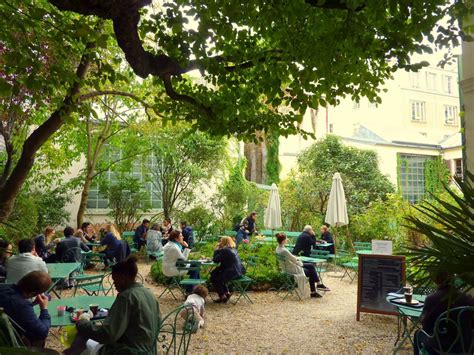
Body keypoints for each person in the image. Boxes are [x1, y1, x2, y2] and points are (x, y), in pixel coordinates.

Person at [73, 256, 160, 354]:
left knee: (82, 342)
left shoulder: (126, 297)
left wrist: (83, 323)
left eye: (115, 280)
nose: (114, 284)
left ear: (123, 278)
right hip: (150, 350)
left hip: (130, 351)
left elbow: (108, 335)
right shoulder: (149, 294)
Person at [414, 270, 474, 355]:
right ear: (453, 278)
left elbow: (426, 327)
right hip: (465, 348)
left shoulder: (432, 299)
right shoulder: (468, 298)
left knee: (418, 334)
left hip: (440, 347)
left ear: (435, 279)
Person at [0, 271, 52, 347]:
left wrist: (31, 304)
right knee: (37, 338)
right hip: (6, 343)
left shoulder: (4, 288)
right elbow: (42, 333)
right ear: (33, 293)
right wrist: (44, 309)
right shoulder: (22, 305)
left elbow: (12, 307)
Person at [276, 233, 329, 298]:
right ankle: (314, 291)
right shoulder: (284, 250)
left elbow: (291, 258)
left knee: (311, 266)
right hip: (292, 269)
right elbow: (294, 260)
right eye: (286, 238)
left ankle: (318, 284)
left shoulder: (278, 249)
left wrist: (296, 259)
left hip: (288, 267)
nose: (287, 239)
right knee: (311, 272)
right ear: (283, 241)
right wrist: (297, 259)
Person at [210, 236, 246, 303]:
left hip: (233, 272)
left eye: (221, 241)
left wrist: (217, 249)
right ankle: (226, 293)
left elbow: (215, 260)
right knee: (215, 273)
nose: (219, 242)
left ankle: (222, 296)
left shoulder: (225, 250)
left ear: (224, 242)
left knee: (214, 277)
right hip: (239, 271)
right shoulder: (233, 249)